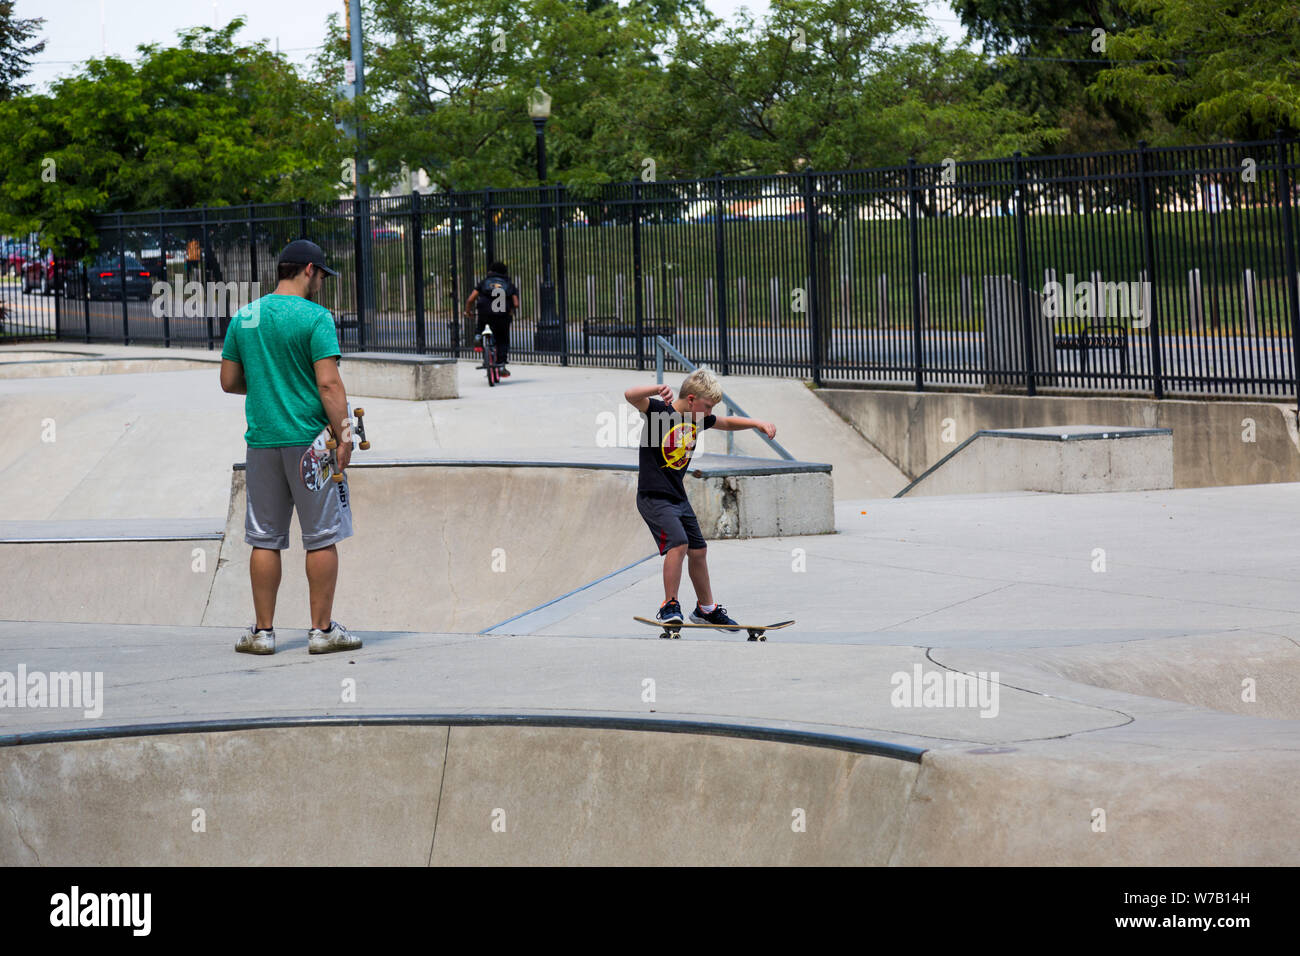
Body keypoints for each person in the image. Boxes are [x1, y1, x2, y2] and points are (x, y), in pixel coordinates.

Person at [219, 239, 362, 656]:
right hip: (311, 446)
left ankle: (263, 633)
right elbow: (329, 383)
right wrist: (346, 432)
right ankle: (321, 631)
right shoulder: (316, 318)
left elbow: (228, 381)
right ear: (309, 271)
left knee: (264, 538)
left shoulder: (246, 316)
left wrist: (266, 386)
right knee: (320, 537)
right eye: (321, 276)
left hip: (262, 441)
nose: (321, 283)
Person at [624, 368, 777, 629]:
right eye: (707, 407)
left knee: (699, 550)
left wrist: (756, 423)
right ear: (692, 399)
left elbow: (726, 423)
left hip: (677, 497)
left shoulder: (697, 418)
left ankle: (706, 608)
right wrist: (656, 388)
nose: (708, 414)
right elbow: (630, 395)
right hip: (653, 495)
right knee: (679, 543)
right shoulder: (661, 412)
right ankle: (669, 605)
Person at [464, 261, 519, 376]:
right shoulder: (509, 284)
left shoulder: (485, 282)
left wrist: (468, 311)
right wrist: (511, 310)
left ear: (491, 271)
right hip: (502, 315)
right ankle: (501, 364)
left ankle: (478, 335)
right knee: (503, 339)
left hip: (485, 312)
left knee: (481, 322)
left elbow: (470, 299)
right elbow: (516, 303)